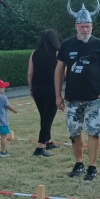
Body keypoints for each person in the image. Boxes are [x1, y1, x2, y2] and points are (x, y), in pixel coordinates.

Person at [55, 10, 100, 181]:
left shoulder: (99, 45)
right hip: (73, 98)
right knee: (74, 131)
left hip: (95, 98)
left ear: (92, 26)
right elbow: (59, 70)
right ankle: (79, 162)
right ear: (76, 27)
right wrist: (58, 95)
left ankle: (92, 166)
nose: (85, 30)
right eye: (82, 27)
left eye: (88, 26)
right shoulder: (67, 45)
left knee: (94, 132)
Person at [27, 29, 61, 157]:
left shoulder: (34, 53)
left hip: (37, 88)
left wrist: (31, 89)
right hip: (51, 88)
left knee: (44, 116)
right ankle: (40, 147)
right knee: (48, 118)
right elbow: (62, 72)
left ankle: (48, 141)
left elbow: (30, 74)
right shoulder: (57, 53)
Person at [0, 79, 18, 157]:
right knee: (4, 136)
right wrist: (14, 110)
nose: (4, 89)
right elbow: (8, 106)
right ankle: (4, 152)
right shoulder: (3, 97)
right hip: (2, 121)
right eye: (3, 87)